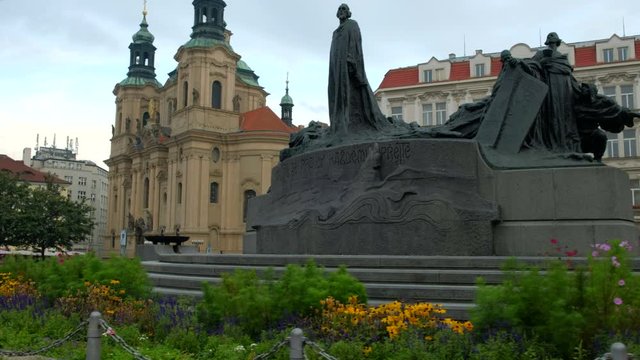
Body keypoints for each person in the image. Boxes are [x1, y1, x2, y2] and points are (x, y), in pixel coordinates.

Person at [328, 4, 390, 135]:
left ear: (349, 12)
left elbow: (355, 43)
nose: (341, 11)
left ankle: (352, 124)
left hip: (348, 66)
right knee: (337, 94)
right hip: (336, 70)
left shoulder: (352, 25)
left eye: (344, 9)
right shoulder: (335, 33)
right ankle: (339, 124)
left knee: (354, 94)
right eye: (339, 9)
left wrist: (352, 61)